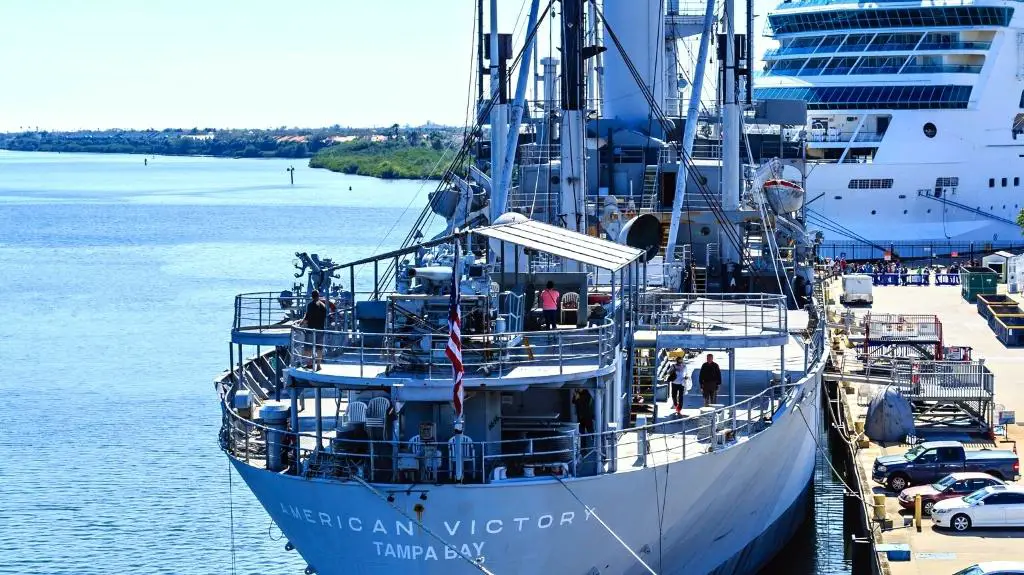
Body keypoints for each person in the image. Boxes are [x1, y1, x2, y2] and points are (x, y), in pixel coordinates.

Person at [301, 289, 328, 370]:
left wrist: (301, 323)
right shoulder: (323, 306)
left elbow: (307, 318)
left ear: (311, 296)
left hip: (311, 330)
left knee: (309, 348)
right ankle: (318, 365)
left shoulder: (310, 305)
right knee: (319, 348)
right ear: (318, 296)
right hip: (320, 329)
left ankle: (310, 364)